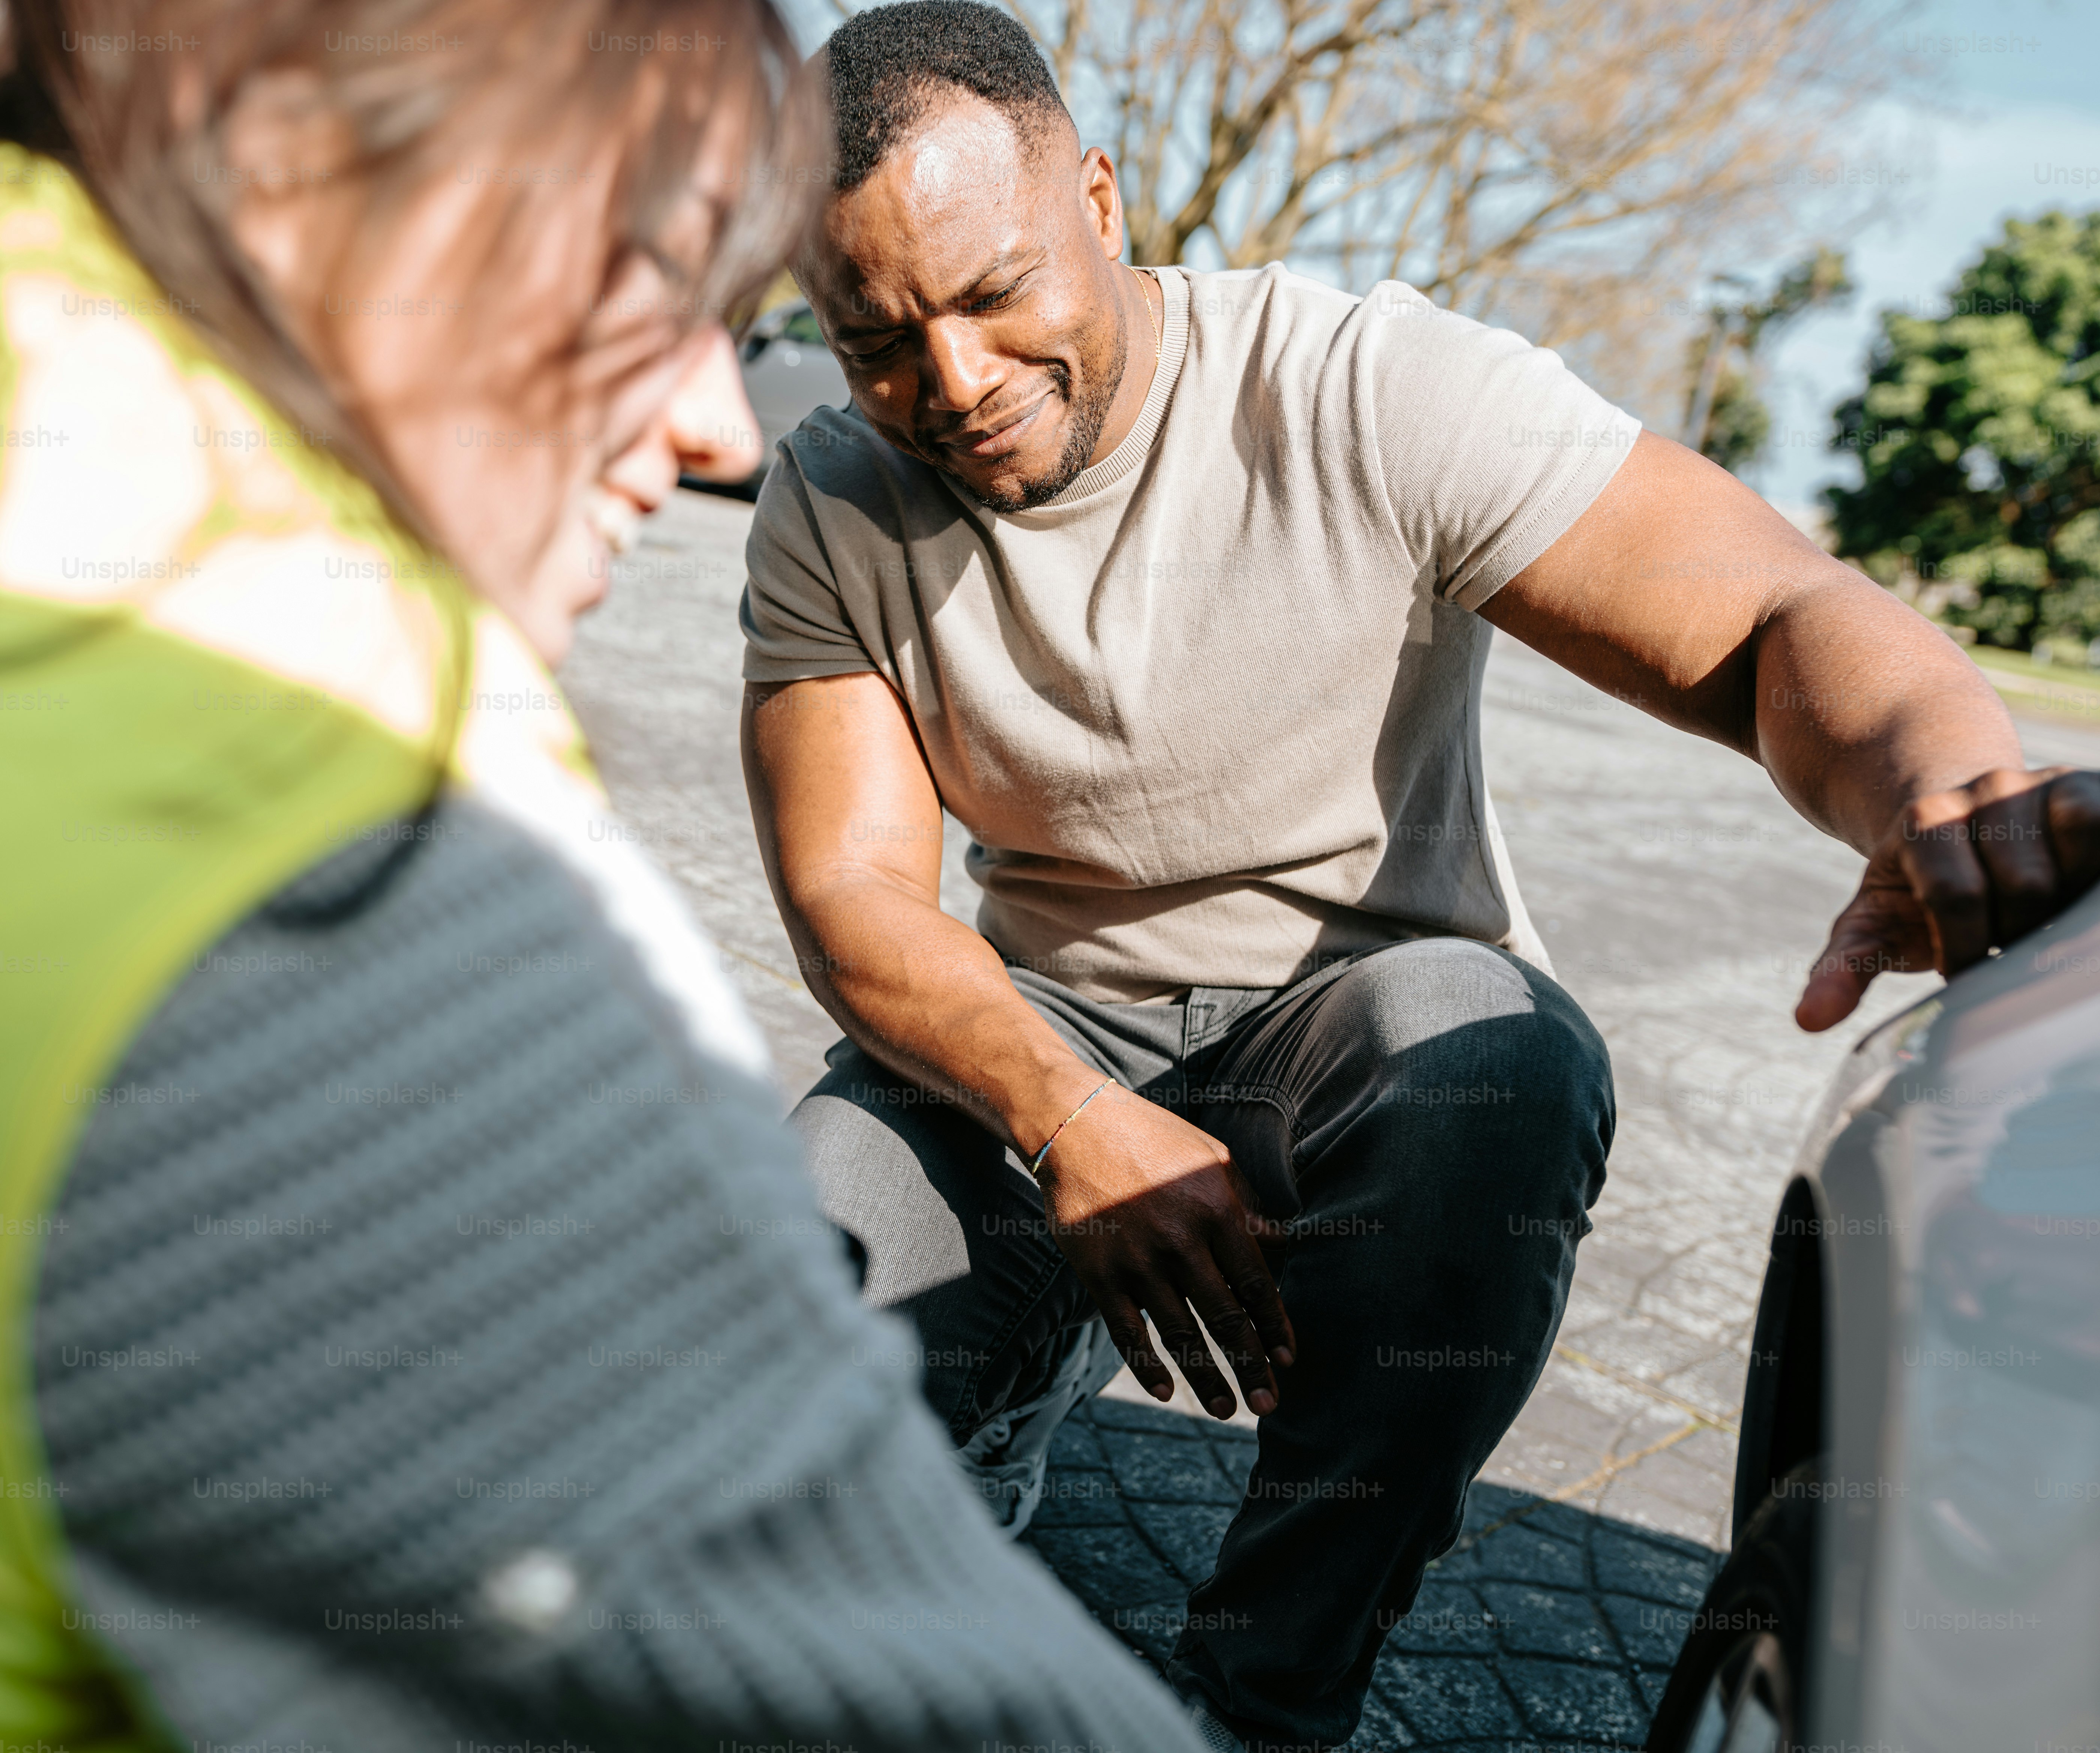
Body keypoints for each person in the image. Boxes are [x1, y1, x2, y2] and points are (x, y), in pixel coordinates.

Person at [736, 4, 2100, 1749]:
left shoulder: (1360, 385)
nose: (953, 381)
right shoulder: (831, 492)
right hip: (1047, 1034)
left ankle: (1262, 1688)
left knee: (1499, 1070)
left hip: (1359, 1028)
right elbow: (853, 897)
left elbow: (1770, 617)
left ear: (1097, 193)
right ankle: (1002, 1383)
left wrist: (1943, 789)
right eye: (877, 341)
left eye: (993, 293)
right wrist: (1070, 1121)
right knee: (786, 1369)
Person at [0, 4, 1215, 1751]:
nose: (717, 423)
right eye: (645, 274)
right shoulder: (310, 829)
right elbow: (888, 1695)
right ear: (308, 166)